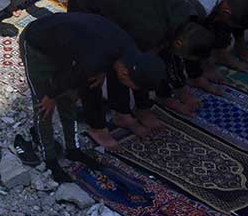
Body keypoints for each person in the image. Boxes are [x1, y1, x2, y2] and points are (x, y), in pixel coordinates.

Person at [70, 0, 216, 132]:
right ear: (180, 43)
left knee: (154, 53)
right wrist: (143, 109)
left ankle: (162, 95)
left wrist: (172, 91)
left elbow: (164, 53)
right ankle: (116, 116)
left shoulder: (194, 14)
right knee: (97, 59)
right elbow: (127, 64)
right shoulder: (149, 30)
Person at [18, 12, 167, 178]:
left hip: (65, 48)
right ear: (125, 73)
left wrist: (100, 72)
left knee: (68, 101)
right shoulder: (96, 60)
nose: (132, 89)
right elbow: (74, 75)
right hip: (36, 43)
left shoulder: (129, 50)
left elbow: (79, 73)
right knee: (43, 107)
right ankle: (49, 158)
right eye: (133, 86)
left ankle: (73, 149)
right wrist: (50, 96)